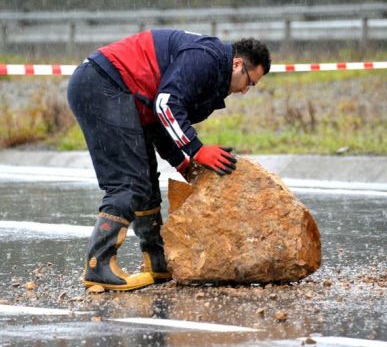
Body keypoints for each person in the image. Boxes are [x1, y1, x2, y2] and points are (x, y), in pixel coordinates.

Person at [67, 29, 271, 291]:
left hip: (119, 92)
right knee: (129, 182)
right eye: (249, 82)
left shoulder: (213, 74)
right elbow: (165, 104)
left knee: (146, 179)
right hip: (102, 84)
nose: (246, 91)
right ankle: (98, 266)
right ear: (238, 64)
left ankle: (157, 262)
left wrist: (182, 162)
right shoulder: (206, 59)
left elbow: (157, 121)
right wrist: (196, 149)